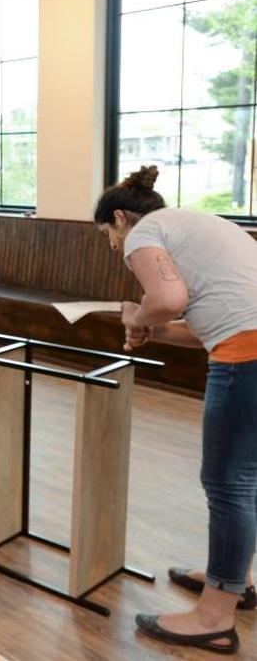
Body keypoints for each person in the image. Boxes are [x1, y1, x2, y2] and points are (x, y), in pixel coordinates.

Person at [95, 165, 257, 655]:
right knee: (243, 480)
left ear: (121, 218)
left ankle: (213, 617)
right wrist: (153, 328)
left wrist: (136, 314)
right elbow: (209, 319)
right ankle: (230, 580)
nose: (114, 248)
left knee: (227, 484)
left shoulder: (147, 230)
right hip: (246, 346)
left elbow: (167, 297)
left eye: (108, 235)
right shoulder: (197, 224)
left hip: (246, 358)